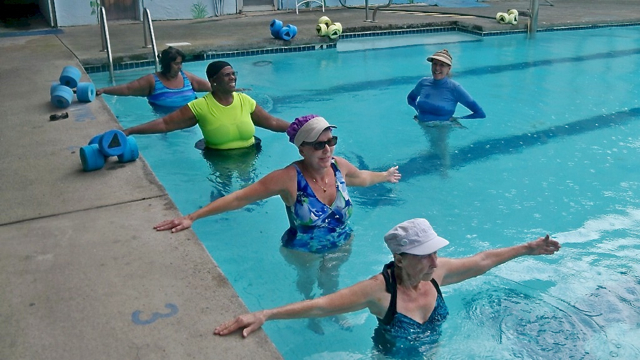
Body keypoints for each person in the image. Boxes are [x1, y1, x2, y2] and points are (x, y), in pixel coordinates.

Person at [155, 114, 402, 333]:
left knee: (331, 279)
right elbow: (240, 197)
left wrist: (384, 176)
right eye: (318, 145)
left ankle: (333, 312)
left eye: (331, 141)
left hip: (341, 242)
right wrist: (192, 217)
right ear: (302, 149)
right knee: (307, 282)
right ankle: (309, 316)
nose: (327, 149)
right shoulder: (288, 178)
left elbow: (361, 177)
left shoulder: (339, 167)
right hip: (303, 250)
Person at [213, 218, 561, 356]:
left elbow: (483, 261)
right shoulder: (379, 292)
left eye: (436, 253)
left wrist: (528, 248)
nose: (436, 262)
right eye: (425, 256)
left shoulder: (435, 274)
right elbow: (323, 305)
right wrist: (265, 314)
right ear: (400, 258)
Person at [122, 60, 290, 151]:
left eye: (233, 74)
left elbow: (273, 122)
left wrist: (301, 126)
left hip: (250, 156)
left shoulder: (245, 101)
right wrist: (131, 130)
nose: (232, 78)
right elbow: (165, 123)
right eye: (226, 75)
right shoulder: (200, 106)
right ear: (213, 81)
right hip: (219, 161)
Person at [407, 49, 486, 175]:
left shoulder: (455, 88)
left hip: (442, 127)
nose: (437, 68)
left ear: (449, 69)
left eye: (442, 65)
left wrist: (456, 119)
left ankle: (445, 174)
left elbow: (480, 113)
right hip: (423, 124)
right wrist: (419, 111)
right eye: (434, 64)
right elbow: (410, 99)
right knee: (434, 145)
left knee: (442, 150)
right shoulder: (423, 83)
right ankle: (433, 155)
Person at [96, 47, 212, 111]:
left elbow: (212, 87)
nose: (180, 67)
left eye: (181, 63)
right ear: (167, 64)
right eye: (176, 64)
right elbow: (127, 89)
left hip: (189, 120)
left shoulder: (187, 77)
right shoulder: (152, 81)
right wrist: (104, 90)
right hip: (166, 123)